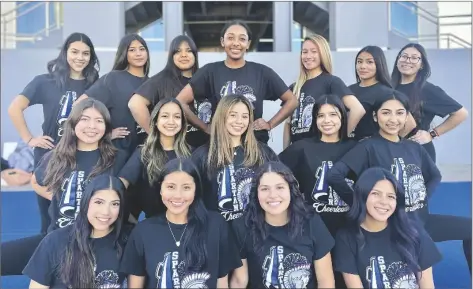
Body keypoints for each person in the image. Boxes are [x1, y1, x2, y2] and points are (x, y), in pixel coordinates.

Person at [327, 92, 472, 274]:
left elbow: (435, 175)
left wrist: (424, 196)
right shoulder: (368, 147)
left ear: (406, 116)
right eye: (386, 112)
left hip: (422, 222)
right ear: (375, 116)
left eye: (399, 113)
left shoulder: (413, 147)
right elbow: (334, 176)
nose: (393, 119)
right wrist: (360, 203)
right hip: (393, 228)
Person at [1, 98, 128, 276]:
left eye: (99, 121)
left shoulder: (118, 158)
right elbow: (35, 181)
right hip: (57, 239)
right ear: (73, 123)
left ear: (106, 127)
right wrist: (58, 196)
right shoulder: (57, 157)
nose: (91, 126)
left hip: (95, 244)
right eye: (84, 119)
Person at [7, 32, 100, 234]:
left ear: (91, 57)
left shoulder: (95, 84)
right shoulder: (45, 81)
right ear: (65, 53)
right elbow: (14, 108)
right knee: (50, 217)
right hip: (50, 157)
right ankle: (48, 260)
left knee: (82, 215)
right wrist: (29, 139)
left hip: (81, 157)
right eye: (74, 52)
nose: (80, 57)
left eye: (85, 53)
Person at [120, 158, 242, 288]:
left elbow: (221, 282)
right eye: (171, 187)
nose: (178, 195)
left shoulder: (216, 225)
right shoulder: (143, 231)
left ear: (196, 190)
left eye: (186, 187)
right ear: (160, 189)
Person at [176, 20, 298, 144]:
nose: (236, 43)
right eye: (230, 38)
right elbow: (180, 101)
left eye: (242, 39)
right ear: (222, 41)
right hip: (221, 146)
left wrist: (270, 124)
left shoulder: (262, 72)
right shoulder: (209, 71)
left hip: (254, 145)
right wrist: (205, 127)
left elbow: (292, 100)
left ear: (248, 44)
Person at [230, 161, 335, 289]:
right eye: (265, 189)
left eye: (280, 187)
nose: (273, 195)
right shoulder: (243, 226)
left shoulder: (312, 223)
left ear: (291, 189)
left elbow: (326, 282)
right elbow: (239, 280)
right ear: (256, 193)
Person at [334, 167, 441, 289]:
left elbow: (427, 285)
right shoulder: (346, 238)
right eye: (375, 194)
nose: (384, 202)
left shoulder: (414, 232)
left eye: (391, 196)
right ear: (362, 195)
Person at [23, 175, 131, 289]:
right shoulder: (55, 241)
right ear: (86, 202)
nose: (105, 212)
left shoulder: (129, 240)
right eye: (99, 202)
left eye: (115, 204)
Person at [191, 94, 279, 222]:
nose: (239, 121)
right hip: (217, 234)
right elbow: (193, 199)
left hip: (255, 232)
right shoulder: (203, 155)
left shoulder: (263, 152)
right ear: (222, 117)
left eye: (245, 116)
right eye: (233, 115)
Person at [279, 94, 357, 237]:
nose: (327, 120)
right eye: (321, 116)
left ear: (342, 117)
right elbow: (274, 172)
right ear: (315, 119)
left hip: (349, 231)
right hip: (313, 229)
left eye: (333, 114)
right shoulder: (301, 148)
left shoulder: (356, 148)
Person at [283, 34, 365, 148]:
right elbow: (288, 124)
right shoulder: (294, 87)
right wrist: (286, 153)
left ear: (323, 54)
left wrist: (340, 140)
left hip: (320, 151)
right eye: (304, 51)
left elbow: (358, 109)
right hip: (297, 152)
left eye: (314, 51)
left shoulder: (332, 82)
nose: (308, 56)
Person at [128, 35, 209, 149]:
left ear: (195, 54)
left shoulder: (204, 77)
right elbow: (135, 104)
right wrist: (155, 135)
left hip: (204, 149)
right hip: (174, 151)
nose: (184, 55)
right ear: (171, 56)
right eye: (178, 51)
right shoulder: (162, 80)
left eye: (189, 51)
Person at [392, 43, 468, 163]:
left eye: (414, 58)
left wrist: (432, 134)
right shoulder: (388, 87)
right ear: (398, 60)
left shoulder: (427, 90)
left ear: (422, 65)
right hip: (392, 151)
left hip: (418, 153)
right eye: (404, 56)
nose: (408, 61)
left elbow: (461, 113)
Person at [76, 33, 150, 156]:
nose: (138, 53)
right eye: (132, 50)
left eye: (142, 49)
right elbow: (79, 105)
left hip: (144, 152)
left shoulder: (152, 83)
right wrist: (105, 134)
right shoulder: (113, 79)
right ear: (124, 54)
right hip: (117, 152)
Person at [119, 98, 192, 219]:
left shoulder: (191, 153)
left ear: (183, 123)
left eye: (177, 117)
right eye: (165, 116)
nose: (171, 121)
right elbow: (120, 185)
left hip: (184, 223)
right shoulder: (143, 153)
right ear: (156, 121)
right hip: (152, 223)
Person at [348, 45, 416, 140]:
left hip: (371, 150)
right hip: (349, 146)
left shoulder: (386, 92)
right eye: (359, 62)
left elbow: (410, 125)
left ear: (379, 64)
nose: (363, 66)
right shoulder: (348, 90)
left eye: (369, 62)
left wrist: (385, 143)